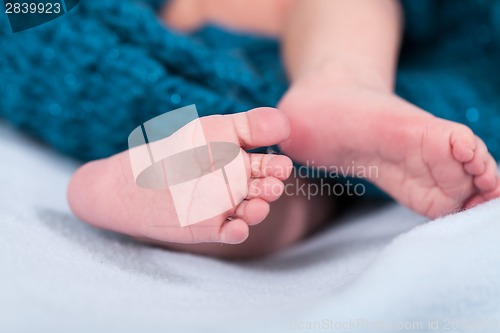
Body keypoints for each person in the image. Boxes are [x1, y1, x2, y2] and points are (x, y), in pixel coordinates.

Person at [68, 0, 500, 259]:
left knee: (275, 192)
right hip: (188, 81)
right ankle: (341, 82)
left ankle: (127, 192)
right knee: (284, 190)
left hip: (178, 92)